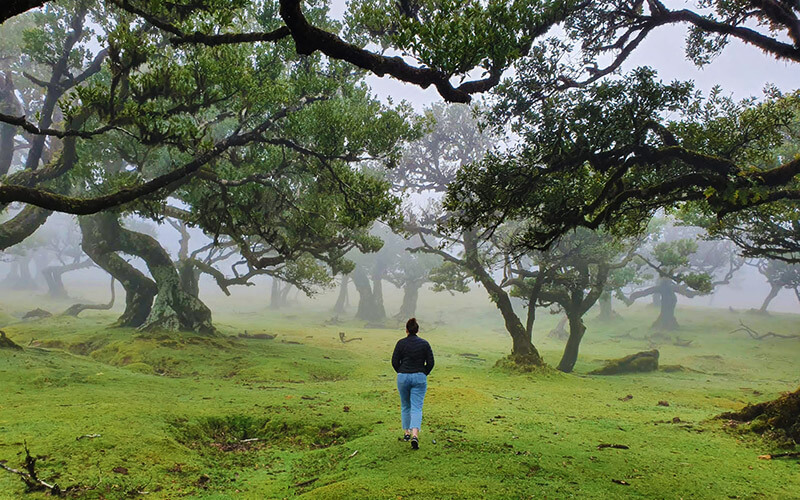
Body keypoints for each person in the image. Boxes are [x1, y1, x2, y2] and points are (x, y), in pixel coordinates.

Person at [391, 317, 434, 450]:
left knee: (405, 405)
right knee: (416, 407)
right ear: (417, 330)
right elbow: (431, 363)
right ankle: (415, 435)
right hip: (419, 377)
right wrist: (423, 373)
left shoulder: (400, 343)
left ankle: (406, 433)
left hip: (403, 377)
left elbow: (394, 361)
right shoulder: (424, 344)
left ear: (406, 330)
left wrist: (402, 371)